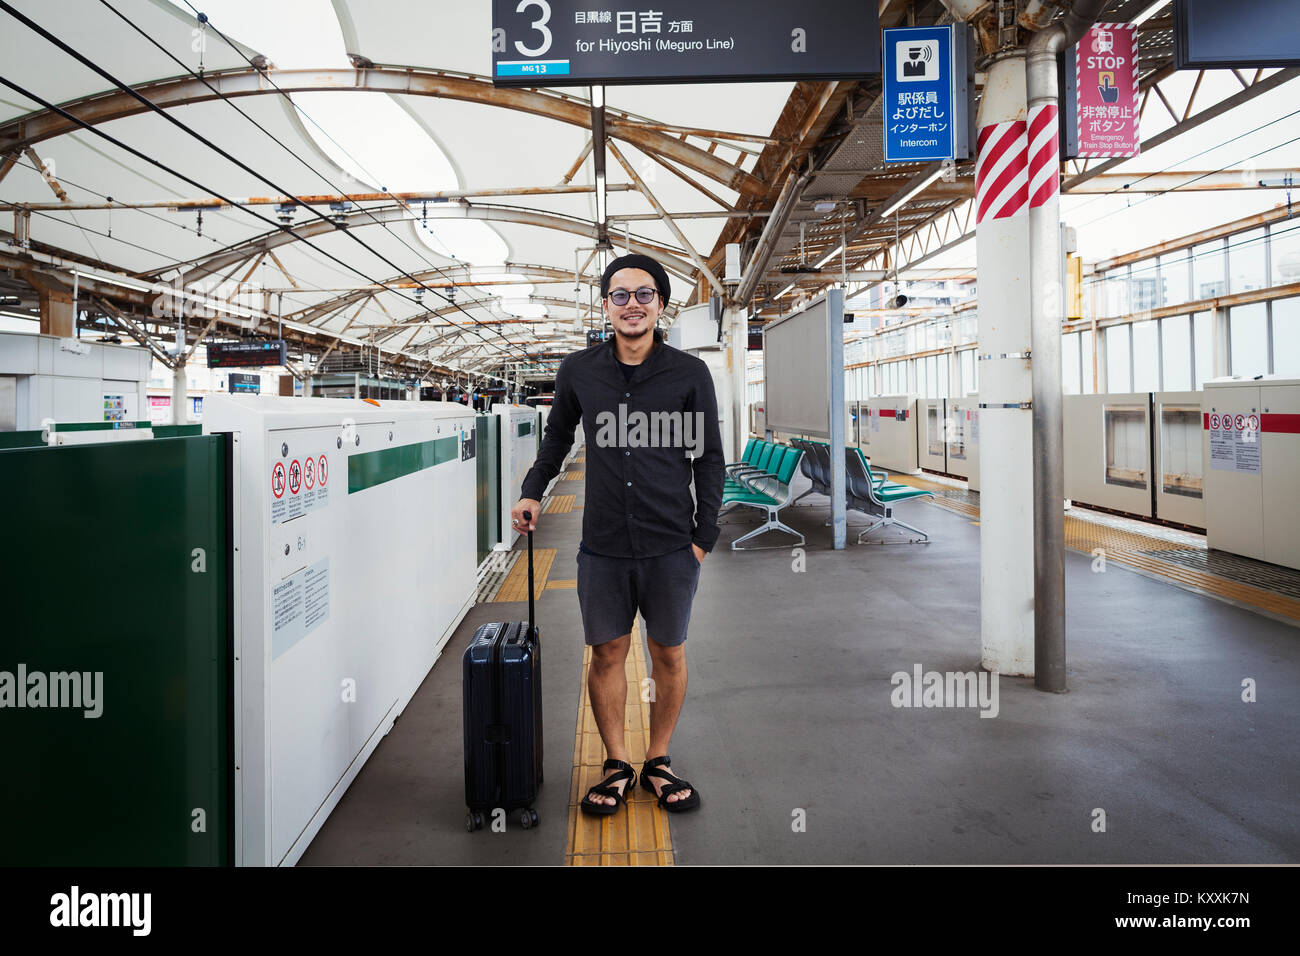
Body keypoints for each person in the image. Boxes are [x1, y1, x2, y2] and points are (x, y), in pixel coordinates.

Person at [512, 253, 724, 816]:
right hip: (602, 543)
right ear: (605, 305)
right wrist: (533, 490)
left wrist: (704, 536)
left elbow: (709, 459)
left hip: (672, 544)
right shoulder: (579, 371)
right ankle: (616, 761)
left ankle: (657, 759)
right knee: (606, 652)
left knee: (668, 654)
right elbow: (556, 439)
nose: (633, 304)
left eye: (644, 294)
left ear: (661, 304)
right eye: (621, 295)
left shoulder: (689, 374)